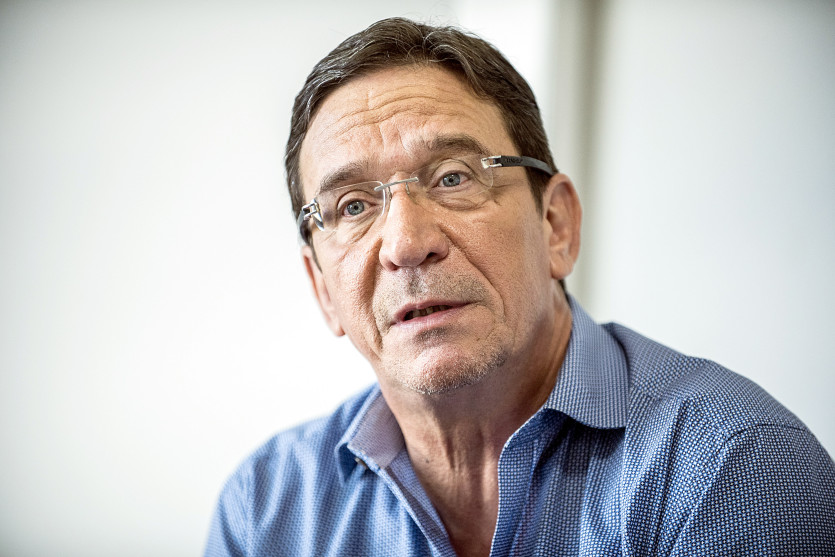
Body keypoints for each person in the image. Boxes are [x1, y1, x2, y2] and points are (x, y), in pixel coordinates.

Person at [204, 17, 835, 557]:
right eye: (352, 207)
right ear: (322, 288)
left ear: (556, 225)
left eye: (453, 177)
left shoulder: (734, 467)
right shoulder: (265, 512)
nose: (405, 243)